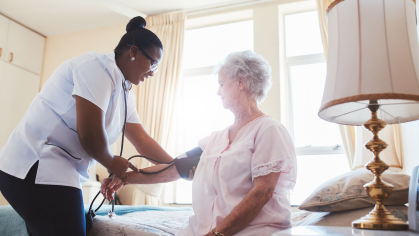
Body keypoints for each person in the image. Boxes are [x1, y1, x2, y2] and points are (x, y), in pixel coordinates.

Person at [0, 16, 173, 236]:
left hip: (60, 172)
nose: (152, 72)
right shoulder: (97, 68)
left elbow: (142, 140)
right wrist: (111, 162)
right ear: (133, 52)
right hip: (34, 167)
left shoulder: (125, 91)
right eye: (153, 63)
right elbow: (89, 134)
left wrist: (176, 165)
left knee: (82, 224)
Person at [102, 50, 297, 236]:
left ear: (241, 82)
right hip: (208, 230)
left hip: (253, 230)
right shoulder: (215, 139)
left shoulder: (268, 129)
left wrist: (217, 233)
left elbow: (262, 192)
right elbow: (174, 168)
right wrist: (124, 178)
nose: (217, 92)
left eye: (221, 83)